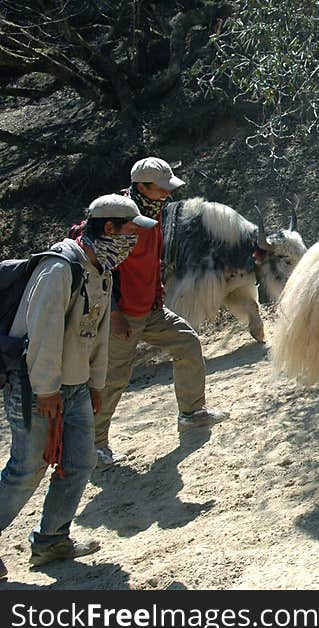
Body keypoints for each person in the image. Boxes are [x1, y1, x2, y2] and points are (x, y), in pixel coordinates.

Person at [0, 195, 152, 576]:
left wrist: (95, 383)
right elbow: (43, 335)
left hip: (77, 386)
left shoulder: (101, 268)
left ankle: (52, 541)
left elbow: (97, 335)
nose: (135, 240)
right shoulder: (59, 269)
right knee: (27, 468)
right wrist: (47, 389)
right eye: (131, 232)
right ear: (110, 229)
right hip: (37, 386)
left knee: (80, 460)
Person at [92, 157, 229, 467]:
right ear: (141, 186)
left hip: (150, 309)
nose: (168, 193)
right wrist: (113, 312)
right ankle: (94, 445)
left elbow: (153, 257)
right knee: (113, 379)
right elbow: (100, 267)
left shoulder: (152, 211)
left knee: (187, 343)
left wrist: (157, 290)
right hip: (121, 315)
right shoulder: (115, 215)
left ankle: (191, 413)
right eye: (161, 188)